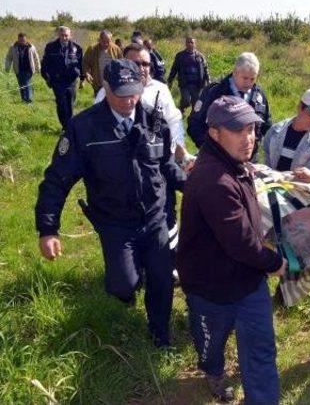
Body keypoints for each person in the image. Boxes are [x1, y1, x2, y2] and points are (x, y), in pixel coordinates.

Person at [35, 59, 186, 347]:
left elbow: (167, 166)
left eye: (134, 92)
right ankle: (128, 280)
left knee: (163, 281)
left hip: (154, 218)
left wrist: (193, 187)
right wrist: (48, 228)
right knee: (123, 286)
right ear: (105, 87)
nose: (129, 100)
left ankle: (160, 334)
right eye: (121, 93)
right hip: (115, 223)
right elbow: (57, 180)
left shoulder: (154, 121)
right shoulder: (84, 128)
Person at [177, 95, 286, 403]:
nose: (248, 138)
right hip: (210, 289)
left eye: (251, 129)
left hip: (248, 283)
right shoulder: (215, 179)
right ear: (214, 133)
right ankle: (213, 372)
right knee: (211, 348)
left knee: (262, 354)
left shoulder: (235, 165)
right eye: (238, 130)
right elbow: (241, 242)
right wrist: (274, 262)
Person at [95, 43, 192, 275]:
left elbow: (174, 121)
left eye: (146, 63)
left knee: (167, 211)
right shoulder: (105, 93)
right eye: (136, 63)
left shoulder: (161, 89)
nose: (142, 68)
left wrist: (179, 151)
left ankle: (169, 262)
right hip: (126, 170)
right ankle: (136, 264)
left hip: (161, 161)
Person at [187, 52, 271, 161]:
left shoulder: (259, 95)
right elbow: (195, 124)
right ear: (235, 72)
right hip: (218, 161)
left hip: (248, 162)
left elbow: (267, 125)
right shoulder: (215, 92)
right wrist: (209, 149)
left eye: (252, 79)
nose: (248, 83)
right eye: (245, 78)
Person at [263, 88, 310, 176]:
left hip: (297, 188)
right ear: (300, 107)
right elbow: (264, 163)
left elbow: (308, 177)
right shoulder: (275, 130)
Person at [41, 26, 85, 128]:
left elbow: (81, 65)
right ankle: (64, 125)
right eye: (62, 35)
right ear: (58, 35)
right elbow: (45, 64)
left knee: (70, 104)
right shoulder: (50, 47)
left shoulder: (77, 48)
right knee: (61, 103)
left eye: (66, 35)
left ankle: (69, 125)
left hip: (72, 81)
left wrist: (82, 79)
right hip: (57, 81)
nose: (64, 38)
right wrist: (47, 78)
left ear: (70, 35)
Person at [167, 37, 210, 113]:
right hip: (185, 84)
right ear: (185, 44)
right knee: (186, 100)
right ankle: (181, 108)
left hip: (197, 85)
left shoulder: (200, 56)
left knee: (196, 106)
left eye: (192, 42)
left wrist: (208, 81)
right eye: (188, 42)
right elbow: (174, 69)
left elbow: (206, 69)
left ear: (195, 44)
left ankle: (192, 119)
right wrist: (170, 80)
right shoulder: (180, 56)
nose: (190, 44)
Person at [83, 30, 123, 95]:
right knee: (99, 102)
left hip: (113, 84)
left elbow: (122, 64)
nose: (106, 44)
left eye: (108, 41)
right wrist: (87, 73)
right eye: (103, 42)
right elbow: (85, 63)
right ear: (99, 40)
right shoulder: (92, 49)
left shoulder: (116, 49)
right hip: (98, 83)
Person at [4, 32, 40, 103]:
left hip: (29, 69)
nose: (22, 42)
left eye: (23, 40)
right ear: (18, 39)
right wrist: (7, 67)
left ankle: (29, 100)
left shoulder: (31, 47)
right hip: (18, 69)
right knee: (21, 85)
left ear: (26, 39)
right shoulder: (13, 47)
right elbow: (9, 57)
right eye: (20, 40)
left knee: (27, 83)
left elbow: (36, 57)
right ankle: (24, 99)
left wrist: (38, 67)